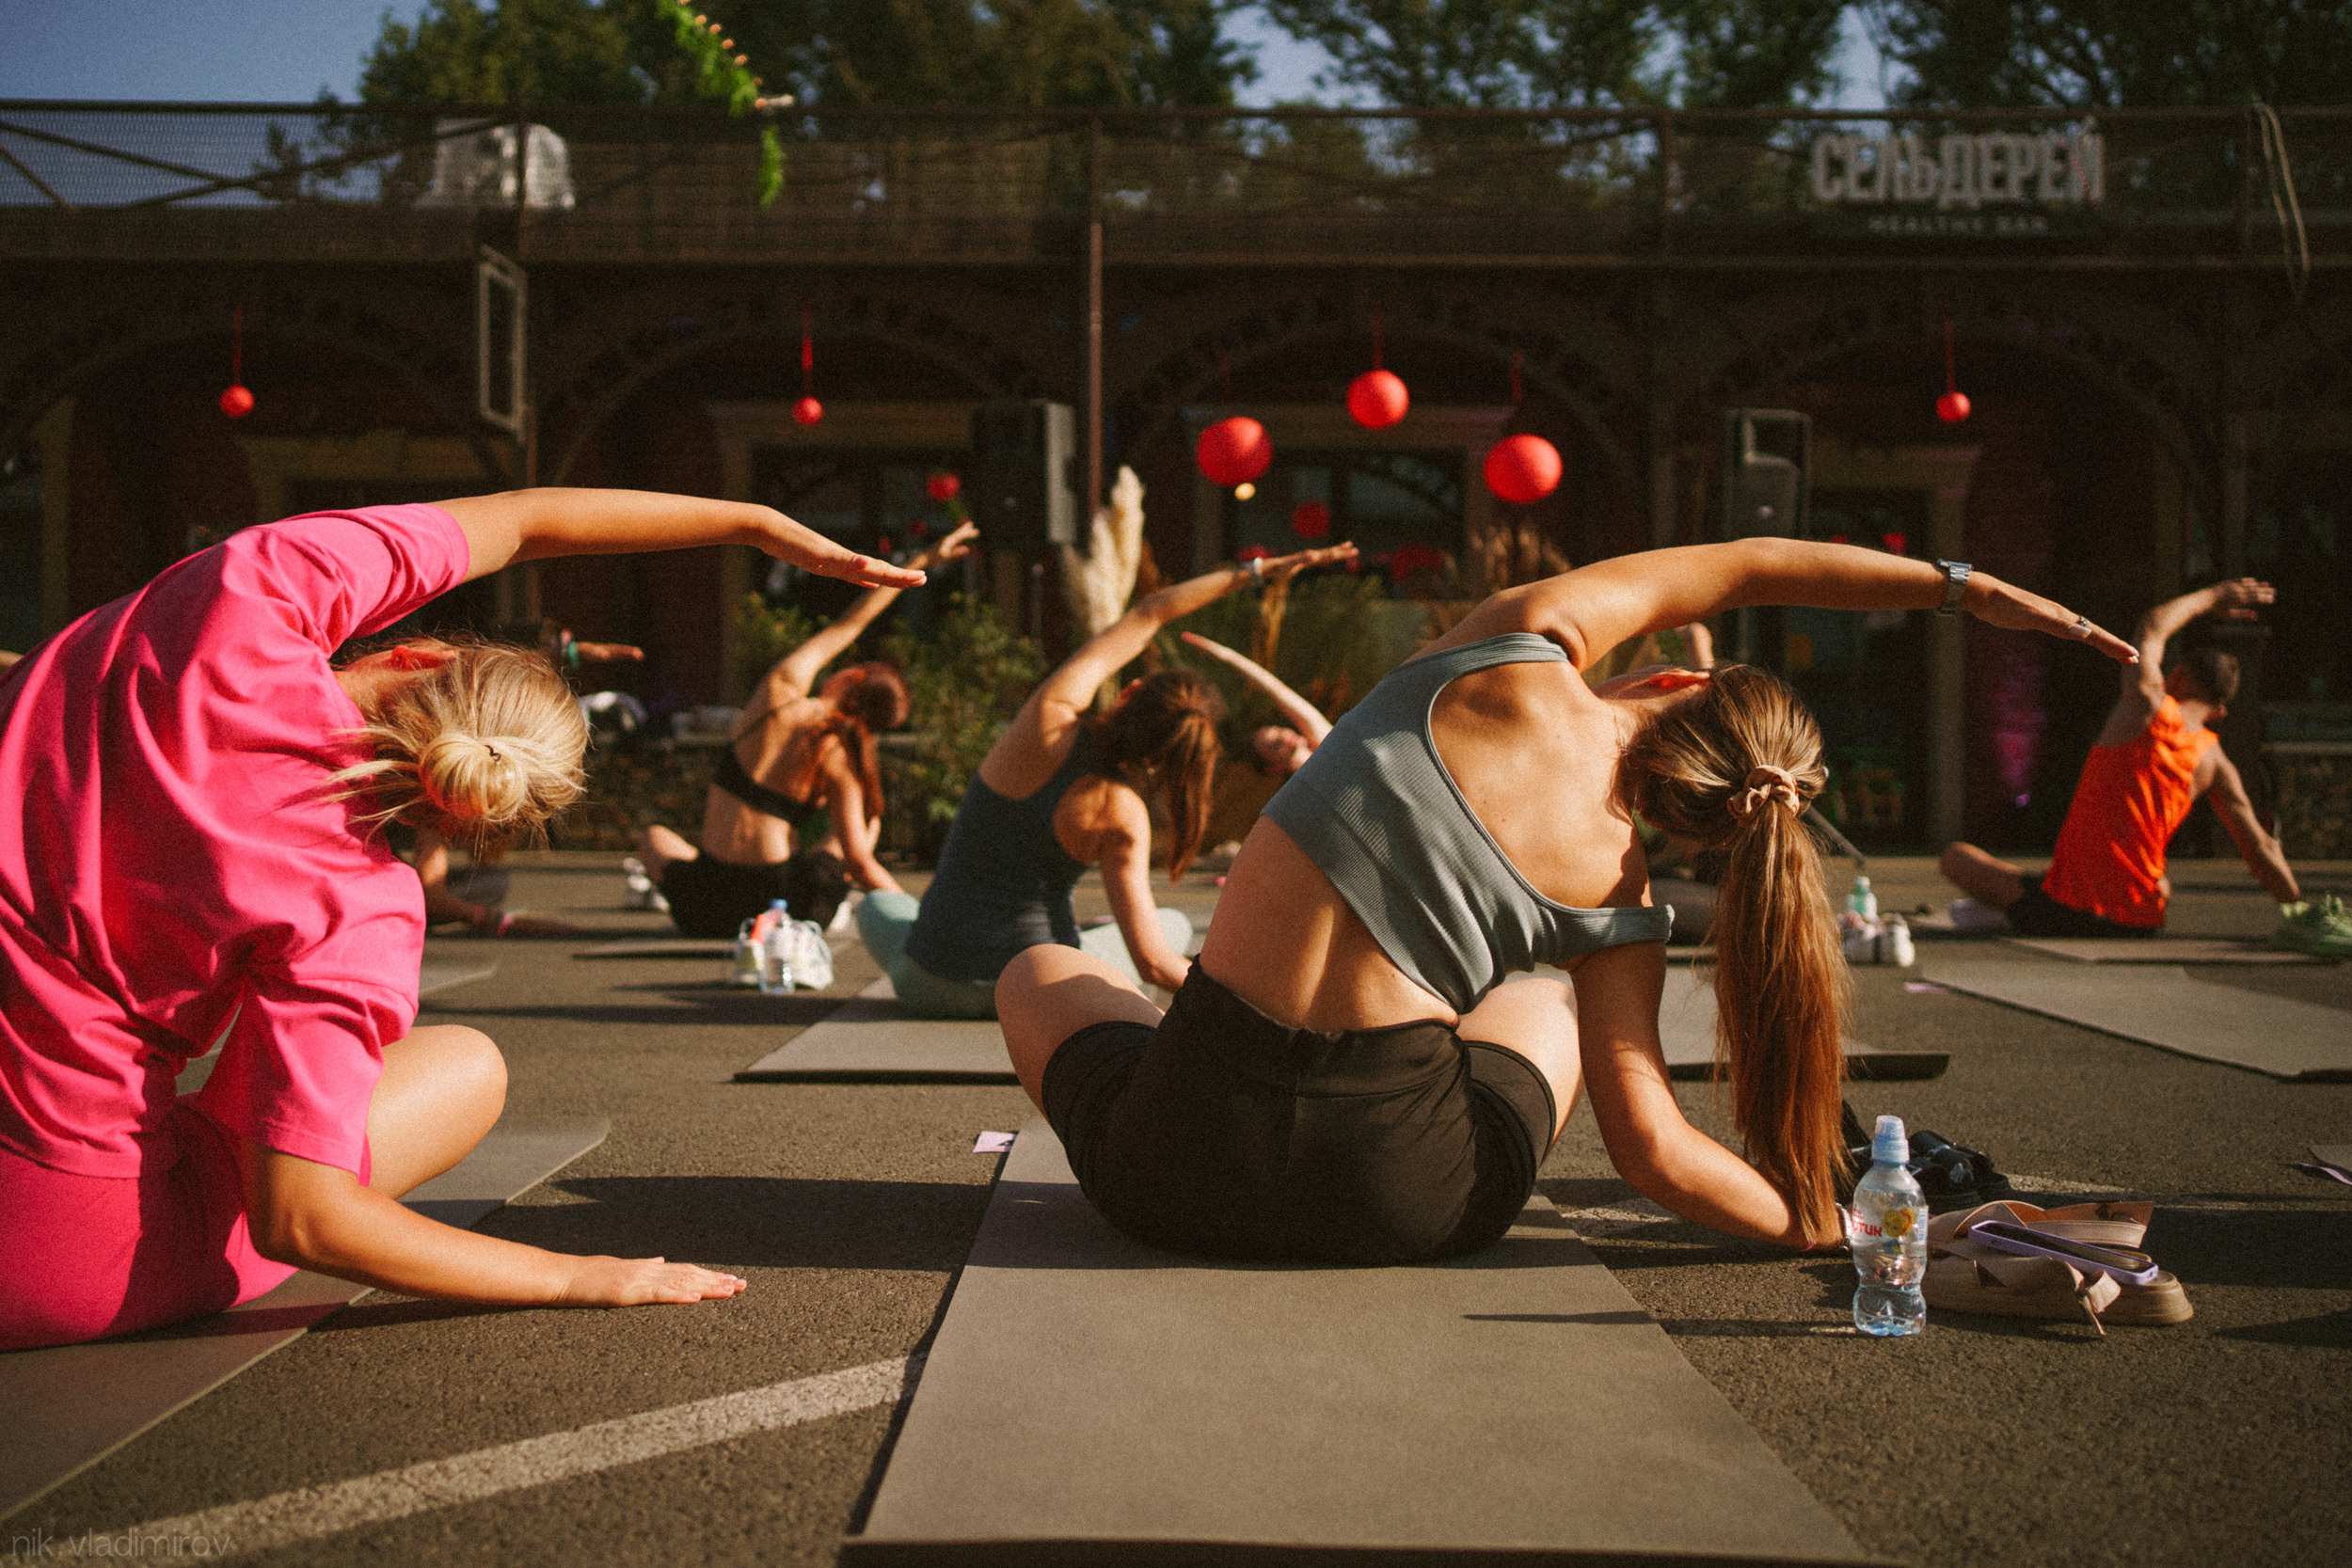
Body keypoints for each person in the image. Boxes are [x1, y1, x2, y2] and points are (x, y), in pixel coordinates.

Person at [994, 544, 2134, 1264]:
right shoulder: (1623, 896)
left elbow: (1746, 564)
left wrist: (1966, 590)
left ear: (1680, 682)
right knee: (1540, 997)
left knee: (1038, 969)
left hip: (1177, 1170)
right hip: (1402, 1203)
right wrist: (1834, 1224)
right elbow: (1654, 1153)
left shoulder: (1506, 646)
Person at [0, 489, 923, 1349]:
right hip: (46, 1238)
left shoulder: (256, 588)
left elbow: (527, 520)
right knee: (464, 1068)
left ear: (421, 655)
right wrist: (573, 1276)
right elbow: (302, 1213)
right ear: (456, 809)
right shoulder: (355, 904)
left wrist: (753, 522)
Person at [858, 544, 1359, 1019]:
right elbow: (1155, 965)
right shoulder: (1123, 813)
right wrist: (1269, 1015)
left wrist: (1258, 570)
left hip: (926, 984)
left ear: (1130, 693)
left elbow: (1150, 613)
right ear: (1170, 759)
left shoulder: (1045, 724)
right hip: (1039, 995)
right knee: (1172, 924)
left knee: (881, 904)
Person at [637, 519, 977, 938]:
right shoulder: (840, 754)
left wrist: (921, 560)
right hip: (782, 911)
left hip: (703, 906)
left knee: (655, 837)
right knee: (863, 827)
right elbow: (858, 860)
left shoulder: (779, 695)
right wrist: (925, 921)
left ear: (851, 678)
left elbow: (848, 625)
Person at [1938, 578, 2325, 946]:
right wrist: (2300, 909)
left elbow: (2153, 625)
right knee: (2137, 881)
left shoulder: (2148, 703)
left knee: (1957, 858)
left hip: (2069, 910)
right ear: (2220, 710)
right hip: (2140, 921)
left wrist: (2216, 595)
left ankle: (2006, 913)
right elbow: (2258, 847)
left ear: (2179, 677)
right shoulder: (2217, 763)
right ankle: (2011, 909)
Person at [1178, 629, 1329, 777]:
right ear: (1274, 768)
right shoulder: (1303, 793)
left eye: (1280, 730)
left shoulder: (1329, 742)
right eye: (1276, 745)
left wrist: (1227, 655)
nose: (1285, 737)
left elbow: (1278, 691)